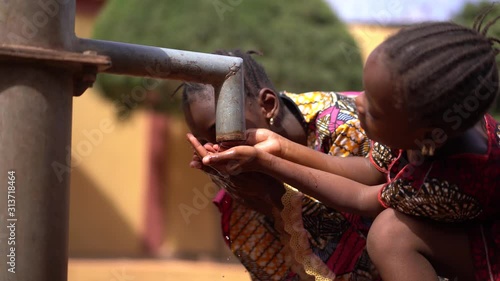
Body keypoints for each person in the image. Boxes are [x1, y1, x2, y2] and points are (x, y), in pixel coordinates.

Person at [192, 17, 500, 281]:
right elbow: (368, 171)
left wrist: (265, 162)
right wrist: (280, 148)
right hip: (473, 236)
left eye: (376, 111)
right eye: (366, 91)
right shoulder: (433, 127)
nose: (359, 103)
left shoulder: (443, 181)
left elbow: (361, 197)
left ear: (424, 136)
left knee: (390, 235)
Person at [183, 49, 380, 280]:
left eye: (223, 131)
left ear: (267, 105)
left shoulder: (346, 128)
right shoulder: (240, 208)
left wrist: (272, 194)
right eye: (204, 142)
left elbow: (359, 263)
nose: (214, 150)